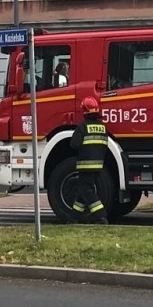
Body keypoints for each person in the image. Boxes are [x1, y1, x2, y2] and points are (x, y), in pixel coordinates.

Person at [68, 95, 111, 224]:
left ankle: (101, 216)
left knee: (86, 190)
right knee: (83, 191)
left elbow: (74, 144)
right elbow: (105, 146)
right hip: (98, 165)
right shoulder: (103, 127)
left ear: (85, 111)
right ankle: (74, 218)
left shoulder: (82, 127)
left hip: (85, 165)